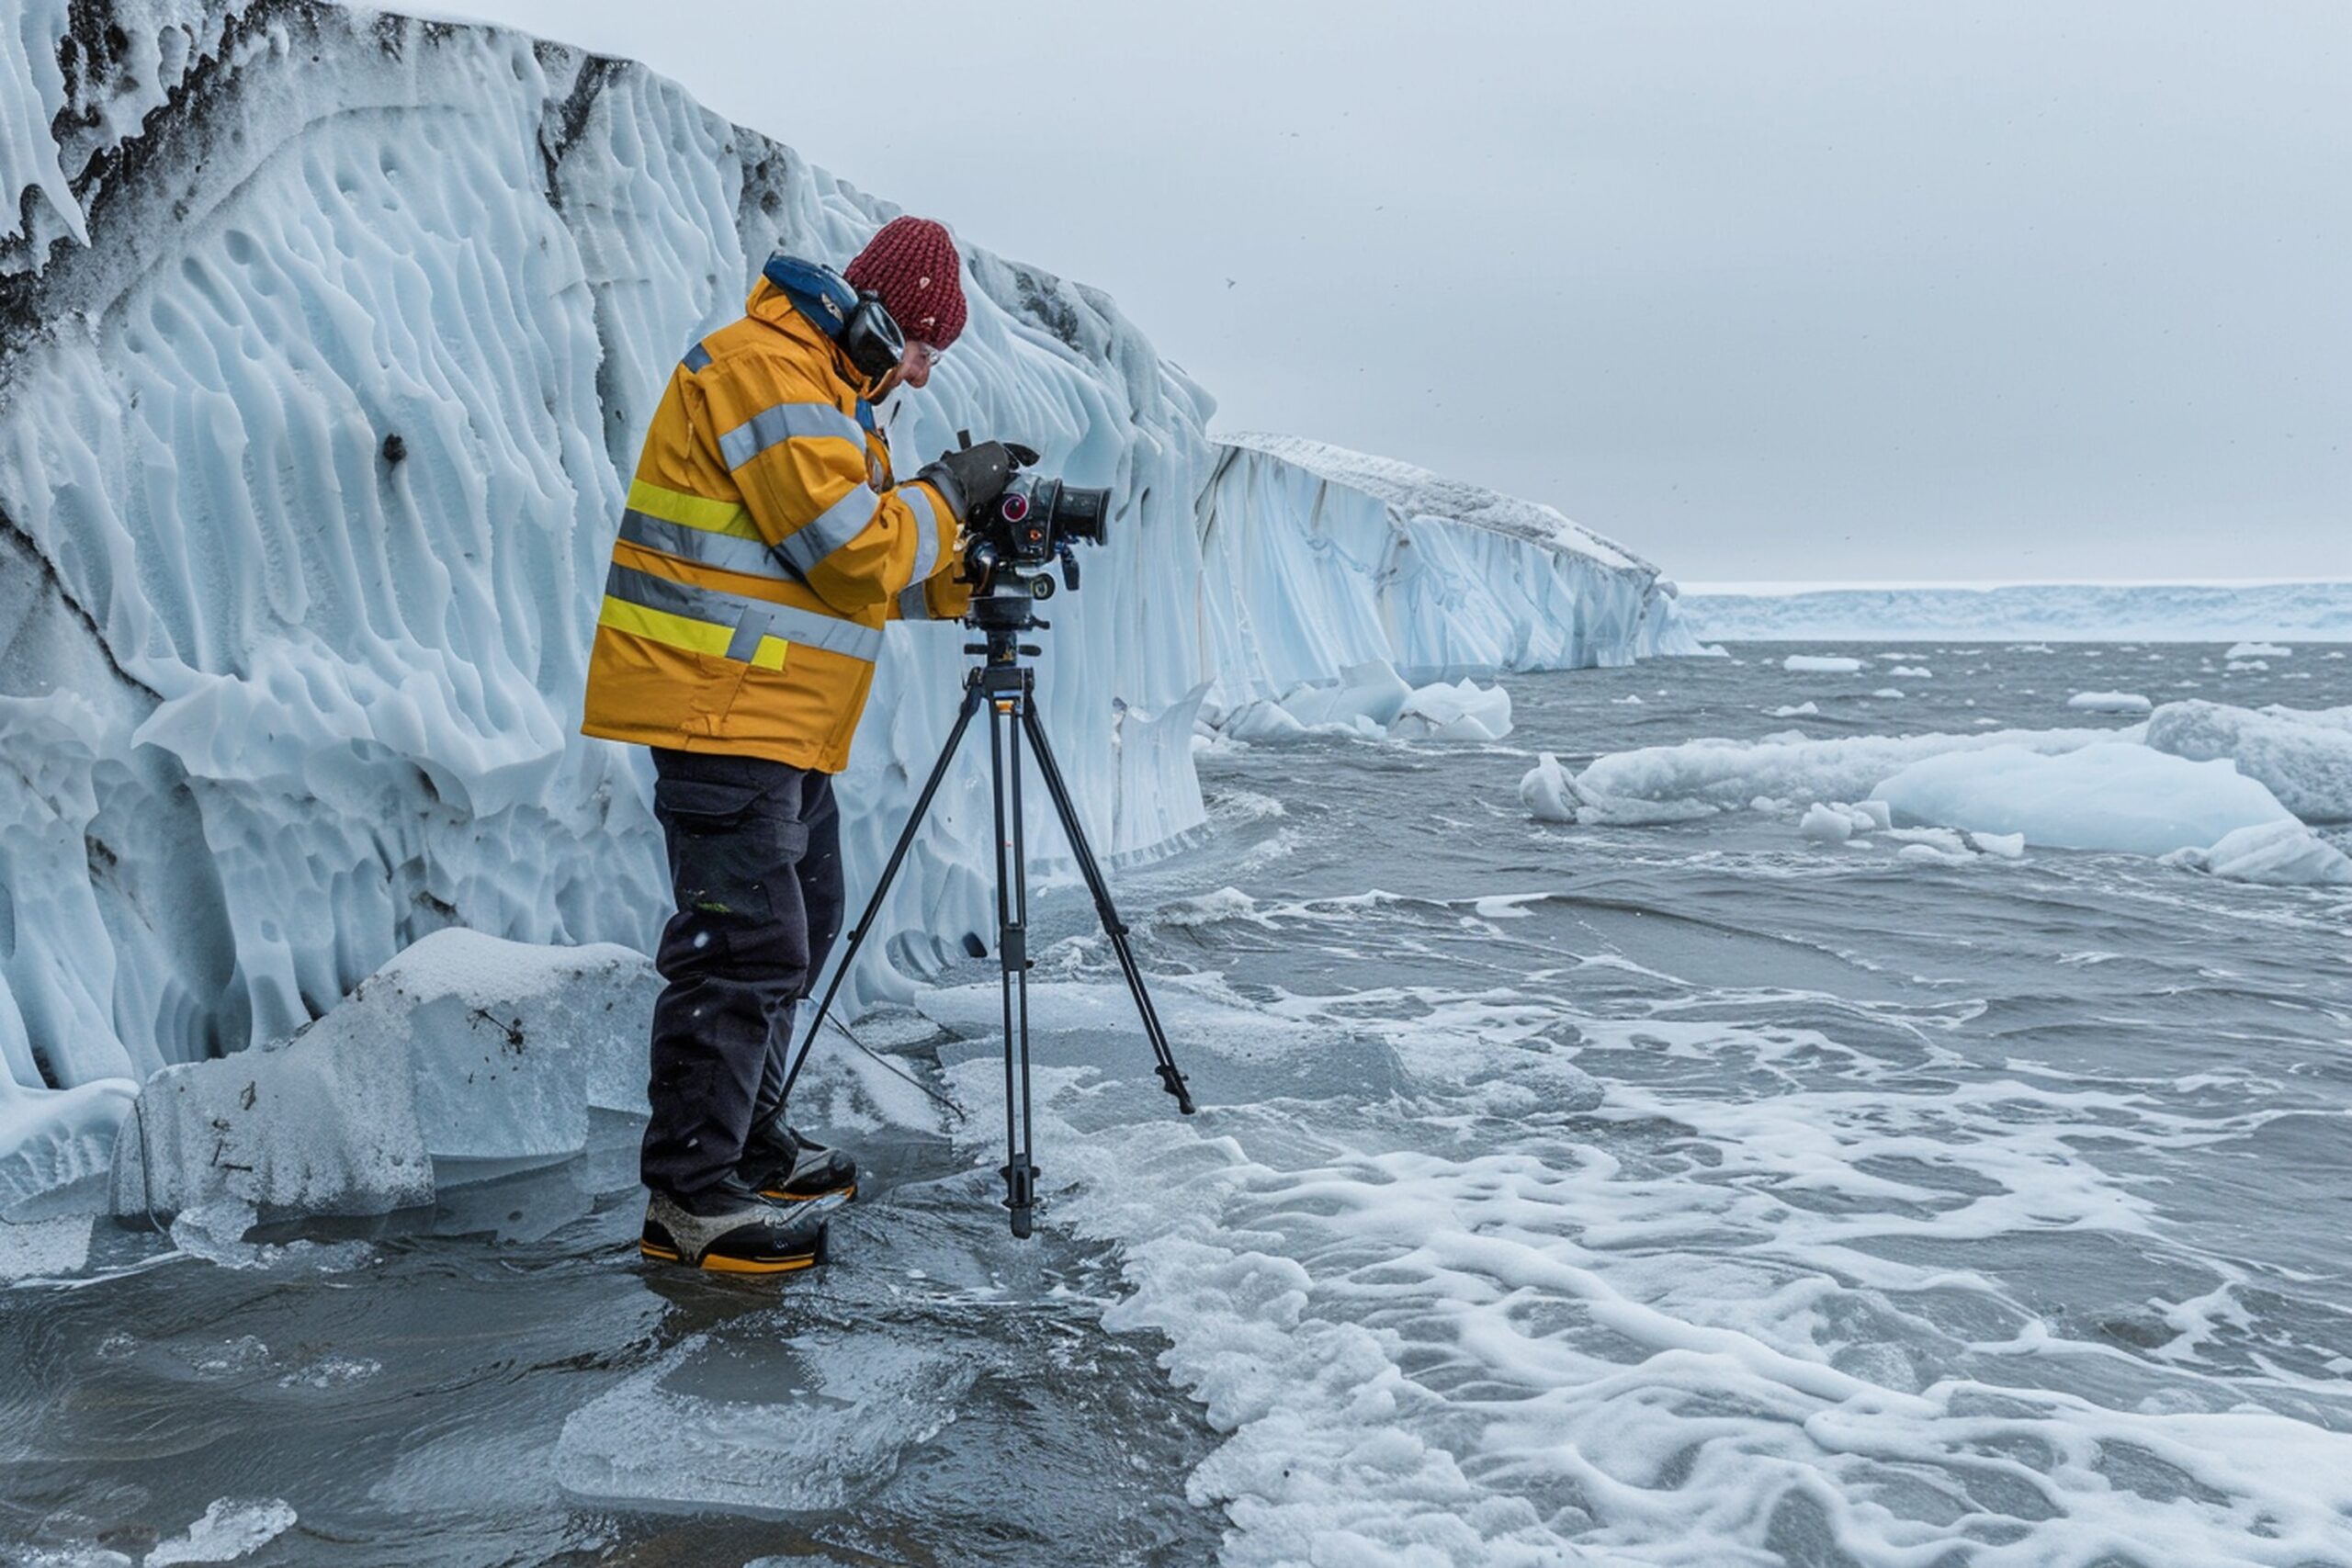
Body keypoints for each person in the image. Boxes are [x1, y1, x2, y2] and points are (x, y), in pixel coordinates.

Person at [582, 217, 1031, 1272]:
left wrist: (973, 562)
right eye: (922, 349)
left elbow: (862, 567)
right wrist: (945, 495)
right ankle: (690, 1199)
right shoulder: (770, 373)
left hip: (775, 720)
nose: (919, 376)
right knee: (744, 947)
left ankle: (746, 1141)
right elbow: (847, 547)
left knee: (803, 924)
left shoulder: (832, 396)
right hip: (721, 708)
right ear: (882, 318)